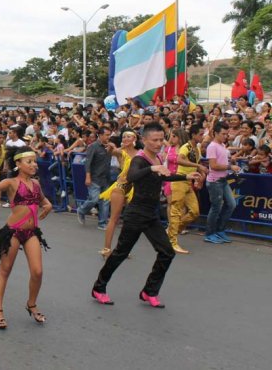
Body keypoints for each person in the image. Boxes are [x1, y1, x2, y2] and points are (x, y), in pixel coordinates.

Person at [91, 122, 201, 308]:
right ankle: (99, 288)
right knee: (120, 253)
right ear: (144, 140)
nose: (159, 143)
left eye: (161, 139)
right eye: (154, 140)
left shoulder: (158, 157)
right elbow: (132, 176)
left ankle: (149, 291)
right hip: (136, 214)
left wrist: (185, 177)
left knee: (166, 252)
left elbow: (163, 176)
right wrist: (152, 169)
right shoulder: (140, 160)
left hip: (151, 214)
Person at [0, 147, 52, 329]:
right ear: (18, 164)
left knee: (38, 271)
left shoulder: (37, 184)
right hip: (13, 232)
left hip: (31, 233)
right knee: (5, 270)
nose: (33, 165)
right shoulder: (11, 182)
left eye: (34, 161)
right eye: (29, 162)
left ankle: (31, 304)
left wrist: (48, 205)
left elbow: (43, 200)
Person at [97, 130, 138, 258]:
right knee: (114, 218)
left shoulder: (139, 154)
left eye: (128, 136)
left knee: (129, 221)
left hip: (133, 188)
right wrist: (111, 148)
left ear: (134, 139)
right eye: (124, 136)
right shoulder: (121, 151)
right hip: (121, 186)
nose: (126, 138)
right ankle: (106, 249)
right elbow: (112, 151)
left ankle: (122, 249)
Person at [168, 124, 208, 253]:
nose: (203, 136)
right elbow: (179, 160)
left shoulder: (196, 148)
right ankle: (172, 241)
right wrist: (198, 166)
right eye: (201, 134)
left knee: (194, 212)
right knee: (176, 211)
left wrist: (201, 175)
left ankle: (171, 232)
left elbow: (198, 165)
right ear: (193, 135)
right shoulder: (186, 147)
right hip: (180, 180)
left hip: (188, 181)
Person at [205, 122, 240, 244]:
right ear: (215, 133)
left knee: (231, 204)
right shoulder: (212, 146)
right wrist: (230, 166)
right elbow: (213, 165)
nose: (226, 136)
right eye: (223, 134)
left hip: (223, 180)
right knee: (216, 207)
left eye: (227, 134)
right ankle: (209, 233)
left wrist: (231, 160)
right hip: (215, 182)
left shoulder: (222, 145)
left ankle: (220, 230)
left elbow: (222, 160)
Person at [77, 127, 112, 230]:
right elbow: (88, 162)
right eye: (106, 135)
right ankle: (81, 210)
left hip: (105, 178)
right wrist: (88, 176)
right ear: (100, 135)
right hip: (95, 178)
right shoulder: (93, 146)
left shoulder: (110, 147)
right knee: (94, 199)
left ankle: (102, 223)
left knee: (105, 201)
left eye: (109, 135)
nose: (108, 137)